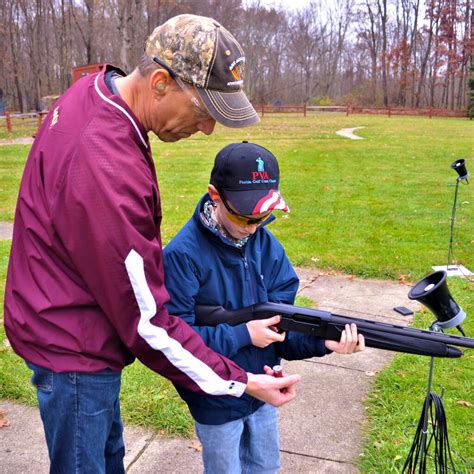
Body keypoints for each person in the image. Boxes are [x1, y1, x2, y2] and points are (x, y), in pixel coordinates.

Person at [3, 15, 300, 473]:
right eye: (203, 112)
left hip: (70, 321)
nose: (205, 130)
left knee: (107, 458)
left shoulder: (97, 92)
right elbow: (150, 324)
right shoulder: (106, 166)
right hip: (72, 348)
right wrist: (239, 381)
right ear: (160, 82)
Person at [163, 141, 366, 473]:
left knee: (265, 467)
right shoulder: (183, 256)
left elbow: (285, 327)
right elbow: (177, 342)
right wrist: (243, 335)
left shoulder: (267, 247)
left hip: (264, 391)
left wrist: (323, 341)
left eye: (263, 216)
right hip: (215, 399)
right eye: (244, 216)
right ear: (215, 195)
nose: (254, 227)